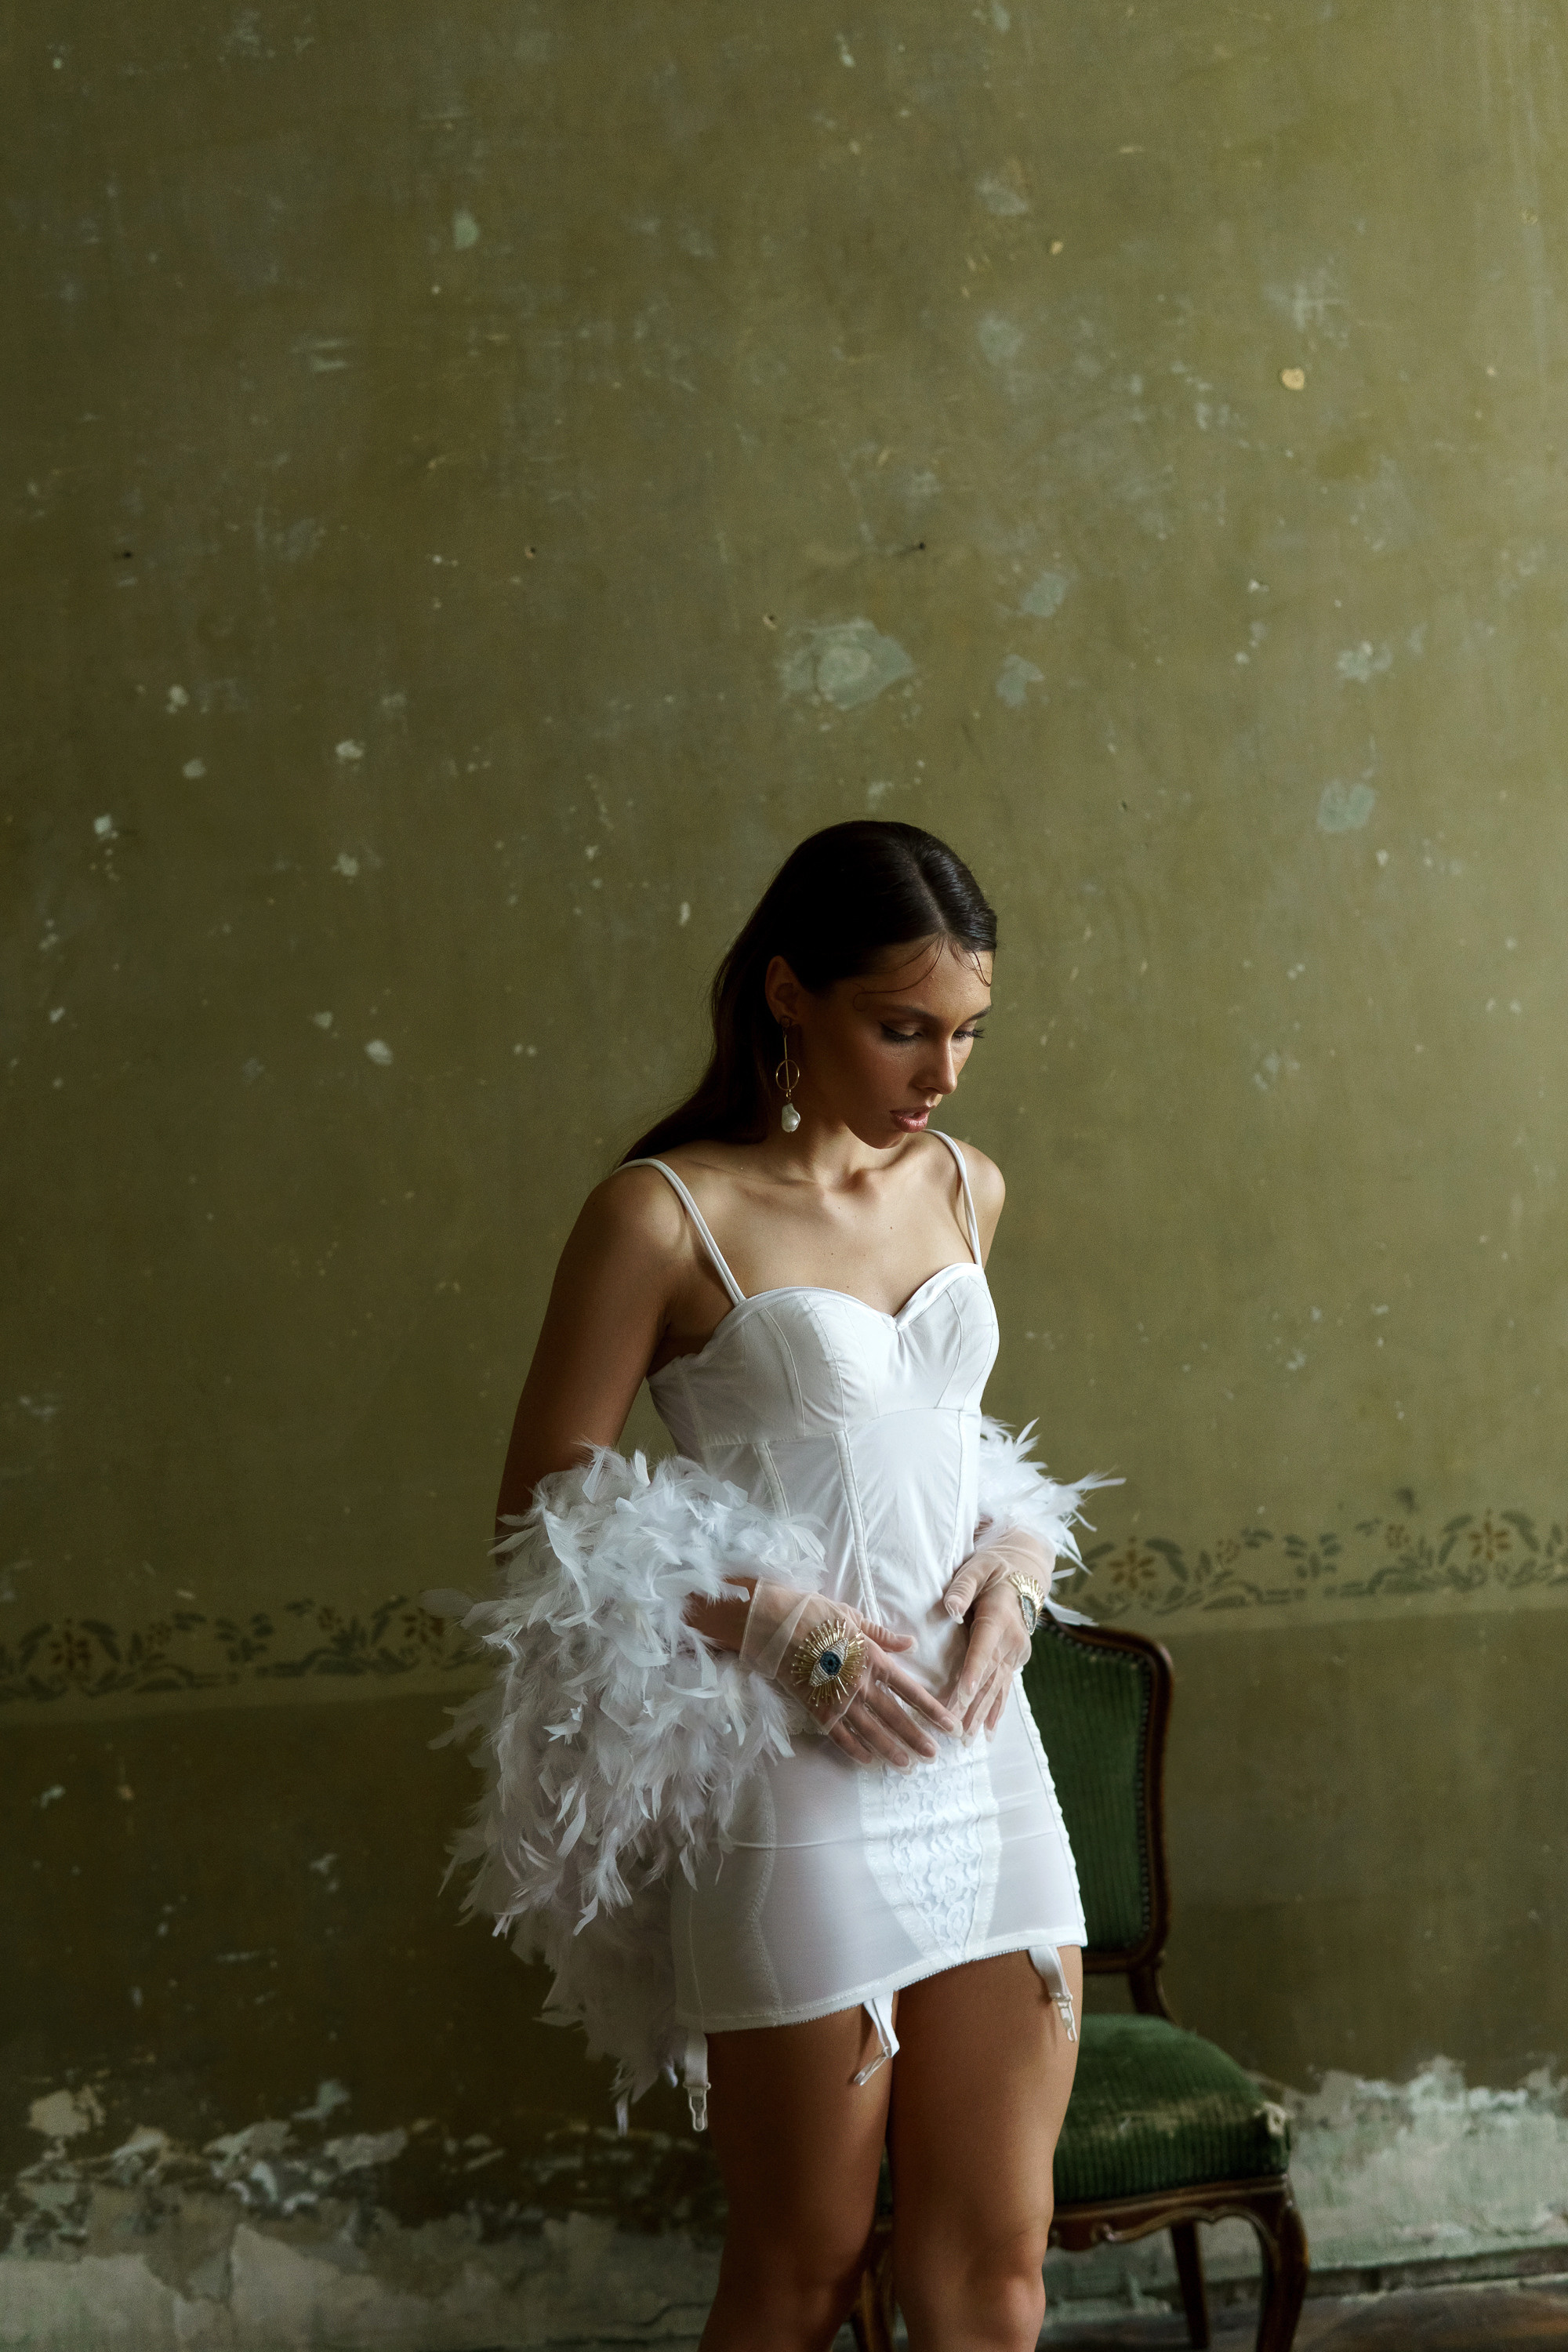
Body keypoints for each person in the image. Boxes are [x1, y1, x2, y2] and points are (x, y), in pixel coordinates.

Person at [435, 821, 1116, 2352]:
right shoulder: (661, 1213)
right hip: (793, 1773)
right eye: (903, 1028)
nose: (941, 1074)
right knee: (801, 2269)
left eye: (965, 1034)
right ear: (788, 994)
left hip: (979, 1748)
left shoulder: (964, 1187)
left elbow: (941, 1451)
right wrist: (770, 1619)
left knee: (995, 2273)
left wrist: (1015, 1562)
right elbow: (543, 1514)